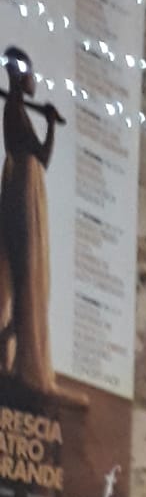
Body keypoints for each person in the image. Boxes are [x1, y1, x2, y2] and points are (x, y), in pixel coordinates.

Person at [0, 47, 64, 392]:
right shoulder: (14, 109)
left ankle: (15, 342)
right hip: (24, 192)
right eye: (29, 74)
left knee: (28, 276)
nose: (33, 80)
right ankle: (18, 349)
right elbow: (41, 156)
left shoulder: (16, 109)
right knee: (25, 273)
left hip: (27, 189)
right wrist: (51, 124)